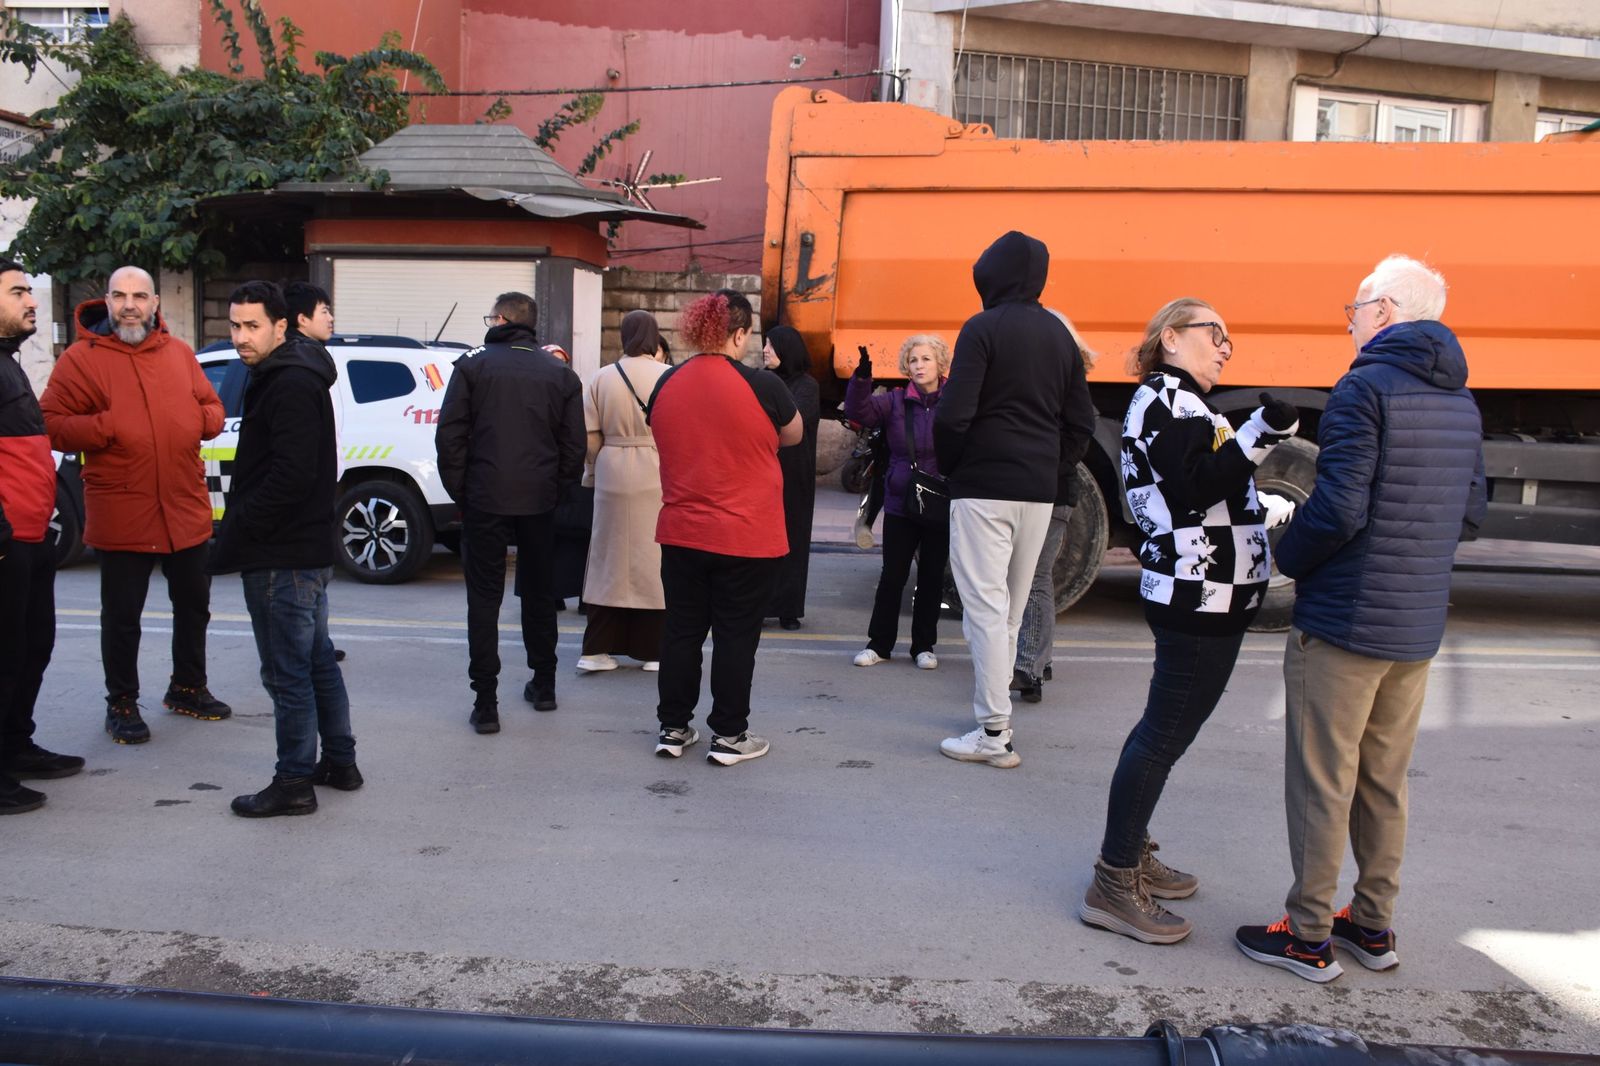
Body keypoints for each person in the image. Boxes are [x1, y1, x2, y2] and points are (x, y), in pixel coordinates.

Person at [1236, 255, 1486, 983]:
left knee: (1323, 778)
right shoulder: (1461, 400)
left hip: (1346, 620)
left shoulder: (1363, 389)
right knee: (1384, 779)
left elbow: (1339, 506)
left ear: (1384, 310)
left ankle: (1309, 934)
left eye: (1354, 307)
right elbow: (1468, 512)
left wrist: (1287, 552)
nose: (1348, 319)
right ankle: (1371, 925)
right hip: (1414, 625)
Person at [1076, 298, 1298, 944]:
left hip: (1210, 595)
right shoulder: (1167, 401)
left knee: (1161, 731)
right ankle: (1114, 881)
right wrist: (1262, 432)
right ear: (1170, 337)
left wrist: (1267, 514)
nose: (1226, 347)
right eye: (1214, 334)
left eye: (1231, 338)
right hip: (1196, 597)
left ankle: (1129, 851)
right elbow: (1192, 491)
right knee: (1164, 735)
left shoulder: (1184, 403)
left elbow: (1211, 499)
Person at [40, 266, 230, 745]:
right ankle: (121, 702)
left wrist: (194, 418)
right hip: (122, 508)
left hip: (183, 504)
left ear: (155, 303)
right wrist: (107, 426)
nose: (130, 305)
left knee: (194, 605)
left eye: (139, 296)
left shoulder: (180, 354)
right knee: (122, 616)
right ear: (106, 301)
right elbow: (52, 422)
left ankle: (188, 687)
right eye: (120, 295)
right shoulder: (80, 360)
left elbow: (214, 412)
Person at [932, 231, 1096, 768]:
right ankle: (996, 720)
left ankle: (993, 730)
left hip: (983, 487)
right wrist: (1051, 467)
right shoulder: (1059, 335)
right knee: (1010, 607)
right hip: (1037, 492)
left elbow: (954, 414)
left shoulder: (982, 328)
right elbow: (1081, 422)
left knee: (982, 606)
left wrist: (957, 466)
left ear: (990, 275)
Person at [210, 281, 360, 818]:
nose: (241, 337)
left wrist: (243, 523)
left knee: (287, 672)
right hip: (302, 549)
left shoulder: (289, 381)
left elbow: (291, 474)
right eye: (235, 325)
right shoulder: (288, 374)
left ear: (282, 326)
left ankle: (294, 781)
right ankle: (339, 762)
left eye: (252, 326)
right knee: (316, 661)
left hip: (283, 555)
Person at [648, 289, 802, 766]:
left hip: (682, 530)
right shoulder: (764, 385)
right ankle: (730, 735)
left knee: (681, 632)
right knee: (735, 636)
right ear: (738, 333)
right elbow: (794, 434)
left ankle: (673, 728)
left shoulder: (666, 382)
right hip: (745, 535)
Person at [435, 291, 584, 734]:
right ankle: (545, 684)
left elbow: (450, 438)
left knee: (484, 597)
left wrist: (463, 491)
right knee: (539, 593)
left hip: (485, 497)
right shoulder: (558, 372)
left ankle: (485, 703)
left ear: (500, 319)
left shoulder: (473, 366)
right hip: (538, 499)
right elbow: (573, 447)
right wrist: (557, 491)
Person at [1, 260, 84, 814]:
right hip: (7, 543)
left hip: (32, 540)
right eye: (16, 292)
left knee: (33, 648)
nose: (31, 300)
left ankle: (15, 746)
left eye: (29, 290)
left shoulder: (8, 364)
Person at [844, 334, 951, 670]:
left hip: (938, 501)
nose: (919, 366)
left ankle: (923, 646)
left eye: (926, 359)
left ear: (940, 364)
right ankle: (879, 644)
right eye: (913, 360)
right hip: (900, 501)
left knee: (932, 576)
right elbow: (859, 412)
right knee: (893, 575)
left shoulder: (954, 400)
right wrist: (862, 379)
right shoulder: (893, 401)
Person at [576, 309, 670, 673]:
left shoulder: (601, 377)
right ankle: (653, 650)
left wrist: (593, 470)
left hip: (612, 467)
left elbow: (589, 435)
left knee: (607, 560)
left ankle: (596, 649)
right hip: (655, 466)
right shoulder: (668, 376)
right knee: (653, 560)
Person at [1011, 311, 1098, 703]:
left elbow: (1079, 432)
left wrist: (1045, 466)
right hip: (1037, 485)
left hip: (1052, 489)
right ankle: (1039, 658)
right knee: (1031, 575)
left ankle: (1029, 665)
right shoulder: (1053, 375)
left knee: (1032, 575)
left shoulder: (1061, 380)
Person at [283, 281, 348, 663]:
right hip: (306, 497)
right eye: (324, 311)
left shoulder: (312, 359)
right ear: (301, 318)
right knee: (307, 580)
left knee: (315, 581)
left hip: (318, 487)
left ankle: (317, 644)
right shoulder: (298, 365)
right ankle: (312, 646)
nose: (331, 317)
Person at [762, 325, 820, 630]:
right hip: (761, 471)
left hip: (794, 474)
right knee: (760, 542)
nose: (765, 350)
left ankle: (788, 608)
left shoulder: (806, 385)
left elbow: (794, 420)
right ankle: (759, 605)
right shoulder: (763, 380)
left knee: (793, 539)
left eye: (771, 345)